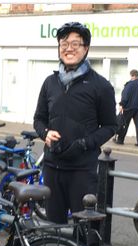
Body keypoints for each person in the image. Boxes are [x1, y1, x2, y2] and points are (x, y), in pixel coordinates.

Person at [33, 22, 118, 224]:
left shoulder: (100, 86)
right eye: (64, 43)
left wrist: (84, 143)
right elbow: (38, 118)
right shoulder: (50, 83)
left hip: (82, 170)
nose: (68, 48)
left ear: (86, 48)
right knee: (54, 229)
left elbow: (110, 126)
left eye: (75, 44)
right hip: (52, 167)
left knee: (85, 232)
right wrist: (44, 133)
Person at [114, 69, 138, 147]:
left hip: (129, 107)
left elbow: (125, 96)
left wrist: (122, 104)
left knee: (124, 124)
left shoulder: (129, 84)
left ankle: (120, 140)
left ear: (132, 75)